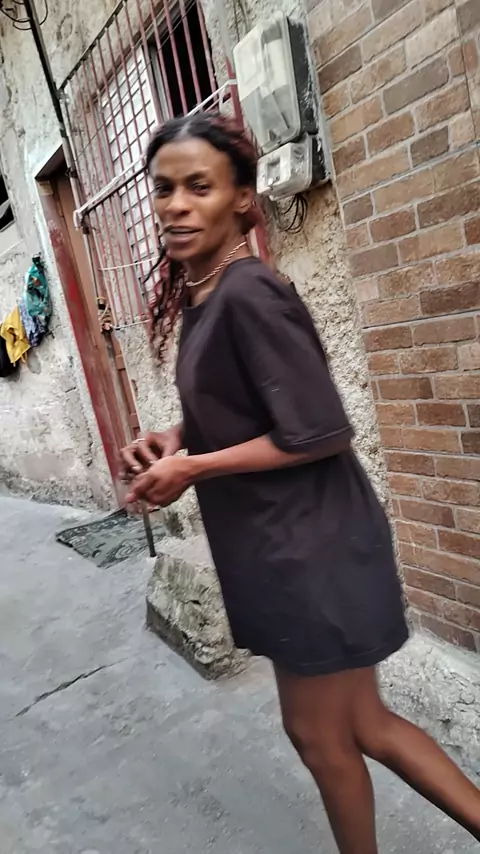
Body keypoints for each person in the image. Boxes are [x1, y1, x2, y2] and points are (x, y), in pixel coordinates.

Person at [120, 111, 480, 853]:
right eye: (163, 189)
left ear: (241, 198)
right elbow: (243, 401)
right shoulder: (204, 291)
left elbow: (315, 430)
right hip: (284, 543)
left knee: (321, 736)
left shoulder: (248, 292)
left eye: (198, 187)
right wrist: (177, 437)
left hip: (310, 547)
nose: (176, 205)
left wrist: (192, 468)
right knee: (360, 725)